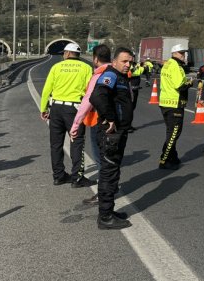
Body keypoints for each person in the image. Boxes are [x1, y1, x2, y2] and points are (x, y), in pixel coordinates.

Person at [90, 46, 135, 230]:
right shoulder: (111, 75)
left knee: (113, 172)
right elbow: (97, 96)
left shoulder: (122, 77)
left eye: (130, 62)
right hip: (111, 134)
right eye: (124, 61)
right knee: (109, 173)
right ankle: (105, 216)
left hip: (119, 133)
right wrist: (109, 117)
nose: (127, 65)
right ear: (114, 61)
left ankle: (109, 210)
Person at [40, 43, 93, 187]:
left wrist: (43, 109)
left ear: (68, 54)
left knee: (56, 144)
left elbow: (46, 90)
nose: (63, 55)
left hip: (56, 108)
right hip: (75, 110)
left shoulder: (56, 67)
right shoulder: (87, 68)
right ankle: (77, 178)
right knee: (76, 142)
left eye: (64, 53)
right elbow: (90, 91)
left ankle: (58, 176)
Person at [70, 44, 112, 206]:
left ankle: (104, 194)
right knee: (110, 160)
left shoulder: (98, 76)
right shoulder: (117, 74)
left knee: (101, 160)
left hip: (98, 122)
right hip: (114, 123)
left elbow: (87, 102)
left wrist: (75, 125)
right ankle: (109, 190)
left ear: (95, 59)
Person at [158, 44, 193, 169]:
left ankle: (173, 157)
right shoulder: (176, 66)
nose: (184, 55)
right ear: (175, 53)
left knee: (170, 132)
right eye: (181, 53)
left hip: (165, 102)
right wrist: (190, 82)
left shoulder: (167, 64)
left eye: (184, 53)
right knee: (174, 133)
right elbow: (180, 85)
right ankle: (165, 159)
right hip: (174, 103)